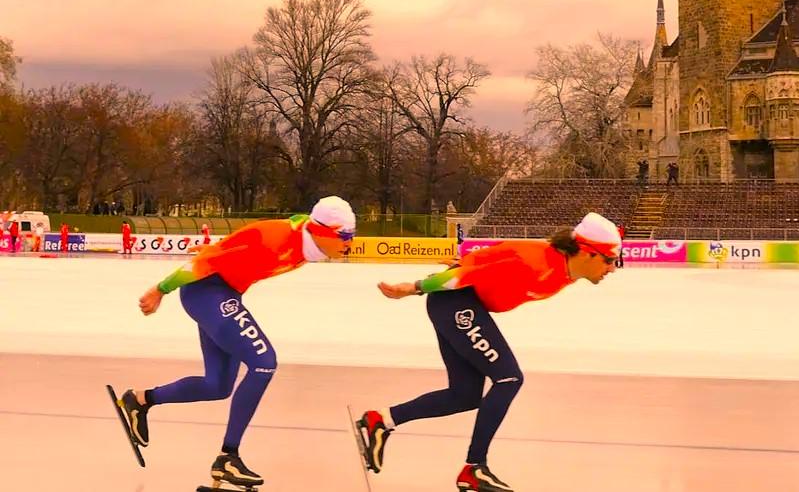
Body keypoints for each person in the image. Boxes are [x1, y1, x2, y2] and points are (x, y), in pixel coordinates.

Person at [356, 212, 622, 492]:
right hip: (455, 300)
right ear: (587, 253)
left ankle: (380, 421)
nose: (613, 269)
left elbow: (498, 252)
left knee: (464, 396)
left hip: (461, 303)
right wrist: (414, 287)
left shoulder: (564, 268)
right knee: (509, 378)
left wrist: (469, 260)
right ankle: (474, 468)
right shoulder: (537, 263)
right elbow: (466, 276)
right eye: (609, 261)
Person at [113, 196, 356, 490]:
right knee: (264, 363)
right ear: (324, 232)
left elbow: (258, 234)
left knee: (218, 386)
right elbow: (202, 264)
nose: (349, 244)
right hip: (206, 292)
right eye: (345, 236)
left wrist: (219, 248)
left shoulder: (307, 240)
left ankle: (139, 401)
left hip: (223, 294)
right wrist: (160, 289)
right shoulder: (276, 238)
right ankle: (228, 457)